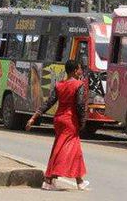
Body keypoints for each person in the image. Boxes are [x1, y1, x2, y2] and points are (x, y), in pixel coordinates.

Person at [26, 60, 89, 191]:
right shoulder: (79, 85)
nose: (81, 71)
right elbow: (80, 105)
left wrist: (34, 117)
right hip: (70, 121)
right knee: (62, 150)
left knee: (75, 150)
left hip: (59, 119)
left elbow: (49, 102)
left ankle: (80, 181)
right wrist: (82, 122)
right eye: (79, 69)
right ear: (74, 71)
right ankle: (49, 179)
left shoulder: (59, 84)